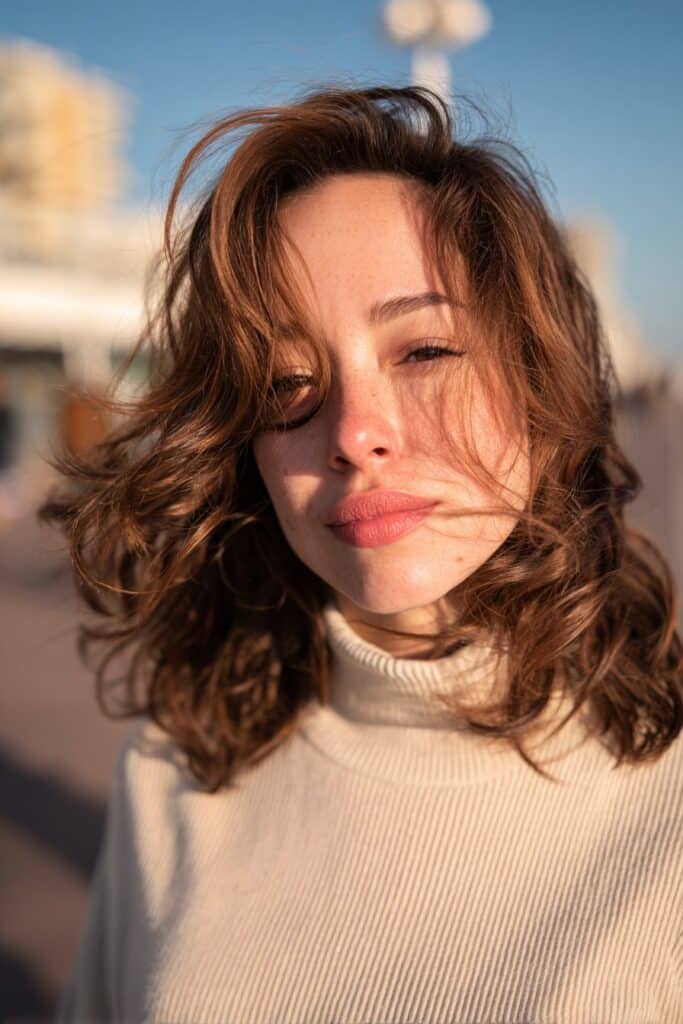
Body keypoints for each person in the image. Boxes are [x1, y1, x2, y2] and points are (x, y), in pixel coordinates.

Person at [41, 84, 682, 1023]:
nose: (353, 432)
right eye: (286, 380)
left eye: (423, 351)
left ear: (545, 385)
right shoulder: (179, 765)